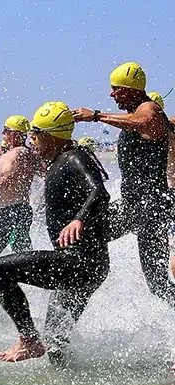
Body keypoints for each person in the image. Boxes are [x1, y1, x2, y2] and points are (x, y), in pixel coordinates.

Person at [0, 102, 110, 362]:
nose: (32, 140)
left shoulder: (74, 158)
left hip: (79, 262)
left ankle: (28, 341)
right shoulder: (59, 160)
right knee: (56, 344)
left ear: (51, 136)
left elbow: (99, 192)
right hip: (87, 264)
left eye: (35, 134)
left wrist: (78, 220)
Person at [73, 62, 175, 309]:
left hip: (153, 209)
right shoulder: (133, 114)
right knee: (86, 235)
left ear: (132, 89)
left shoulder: (148, 108)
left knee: (158, 283)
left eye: (116, 89)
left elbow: (146, 121)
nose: (112, 94)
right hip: (134, 207)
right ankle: (80, 286)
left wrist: (96, 116)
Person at [0, 116, 43, 256]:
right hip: (22, 210)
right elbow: (46, 174)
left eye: (6, 130)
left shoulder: (13, 155)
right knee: (23, 254)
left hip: (11, 213)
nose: (3, 134)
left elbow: (4, 181)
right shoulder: (30, 154)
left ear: (14, 134)